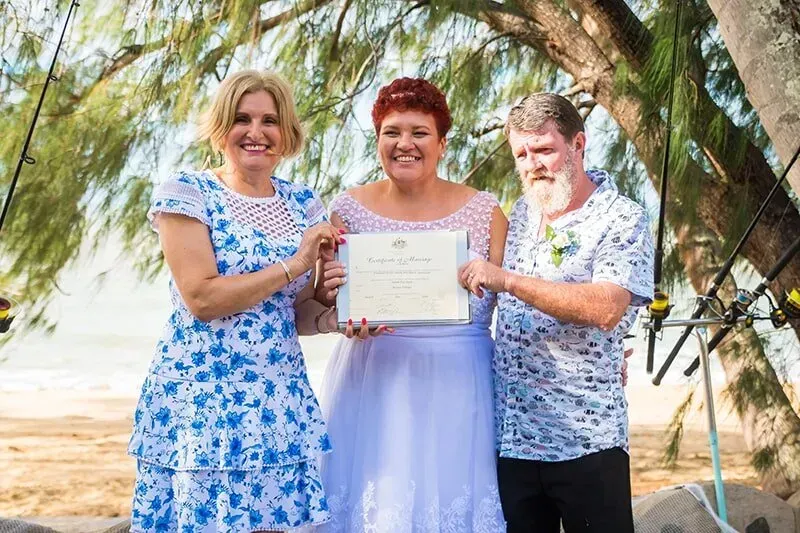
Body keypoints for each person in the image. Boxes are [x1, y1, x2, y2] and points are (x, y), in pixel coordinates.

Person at [127, 70, 344, 533]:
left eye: (270, 120)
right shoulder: (187, 194)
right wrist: (297, 263)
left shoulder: (303, 204)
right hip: (205, 404)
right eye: (242, 118)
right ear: (221, 127)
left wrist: (333, 313)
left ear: (286, 133)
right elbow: (202, 298)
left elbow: (297, 312)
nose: (256, 132)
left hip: (279, 404)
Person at [313, 77, 507, 532]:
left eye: (419, 133)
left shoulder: (485, 210)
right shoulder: (347, 210)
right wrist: (335, 303)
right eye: (392, 132)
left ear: (441, 143)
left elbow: (516, 304)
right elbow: (320, 298)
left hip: (462, 383)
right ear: (377, 139)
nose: (405, 144)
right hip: (375, 379)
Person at [459, 93, 654, 532]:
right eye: (522, 154)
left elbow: (607, 307)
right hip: (511, 440)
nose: (533, 164)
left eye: (544, 149)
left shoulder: (622, 218)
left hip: (585, 441)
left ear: (578, 143)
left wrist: (506, 279)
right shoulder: (524, 212)